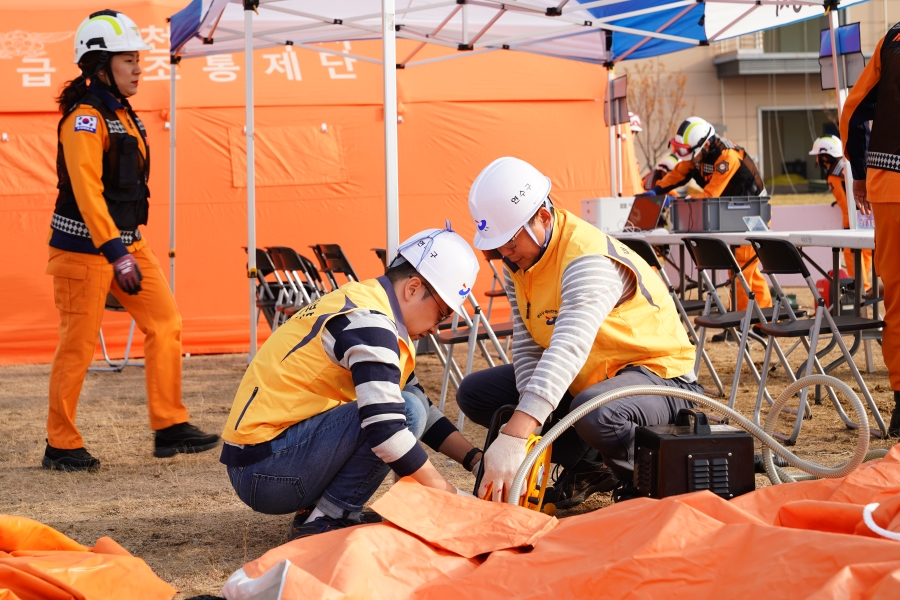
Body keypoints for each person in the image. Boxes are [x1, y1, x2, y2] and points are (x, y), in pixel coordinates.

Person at [458, 157, 701, 507]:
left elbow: (568, 347)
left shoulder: (586, 259)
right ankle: (588, 466)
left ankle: (646, 483)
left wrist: (517, 432)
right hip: (592, 377)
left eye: (509, 242)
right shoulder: (521, 262)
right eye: (497, 245)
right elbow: (529, 344)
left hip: (660, 378)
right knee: (476, 394)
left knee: (598, 411)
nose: (504, 253)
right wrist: (532, 428)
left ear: (542, 217)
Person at [221, 225, 486, 540]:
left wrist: (475, 460)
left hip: (265, 461)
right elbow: (387, 429)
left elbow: (422, 407)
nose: (436, 328)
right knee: (402, 411)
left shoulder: (370, 305)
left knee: (408, 404)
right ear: (413, 289)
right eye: (441, 313)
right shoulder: (371, 323)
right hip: (266, 472)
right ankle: (328, 519)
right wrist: (450, 496)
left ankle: (321, 509)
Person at [44, 10, 219, 471]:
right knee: (77, 347)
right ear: (99, 65)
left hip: (125, 245)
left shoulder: (123, 113)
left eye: (138, 58)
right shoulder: (84, 119)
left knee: (166, 322)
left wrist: (124, 249)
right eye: (128, 60)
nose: (139, 67)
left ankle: (169, 427)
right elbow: (87, 192)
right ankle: (59, 444)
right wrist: (116, 253)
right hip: (83, 251)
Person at [643, 117, 772, 340]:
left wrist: (675, 203)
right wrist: (656, 191)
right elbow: (680, 172)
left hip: (752, 215)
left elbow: (710, 196)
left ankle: (743, 325)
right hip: (731, 215)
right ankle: (764, 322)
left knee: (742, 270)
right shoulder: (700, 153)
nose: (688, 159)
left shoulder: (728, 157)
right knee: (744, 272)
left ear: (705, 144)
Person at [841, 20, 900, 436]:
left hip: (889, 183)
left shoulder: (892, 39)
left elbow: (854, 110)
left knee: (896, 294)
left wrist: (860, 173)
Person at [809, 135, 873, 291]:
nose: (818, 160)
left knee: (855, 266)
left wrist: (848, 228)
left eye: (819, 156)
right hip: (868, 221)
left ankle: (860, 294)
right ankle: (864, 292)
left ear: (825, 156)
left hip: (853, 224)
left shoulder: (834, 176)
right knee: (865, 258)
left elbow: (847, 206)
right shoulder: (848, 166)